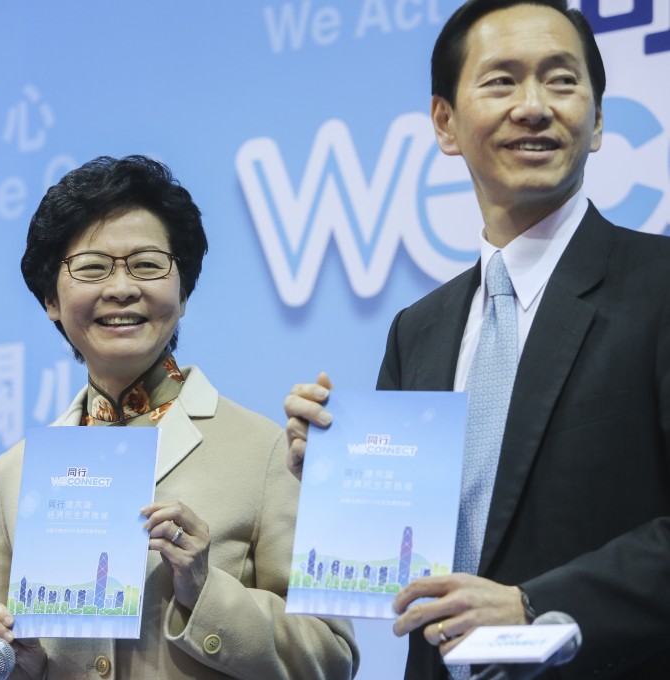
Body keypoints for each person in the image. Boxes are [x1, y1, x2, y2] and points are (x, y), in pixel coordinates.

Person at [285, 1, 670, 678]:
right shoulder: (419, 330)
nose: (533, 106)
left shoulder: (658, 287)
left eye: (561, 80)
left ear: (600, 120)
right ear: (445, 123)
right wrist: (334, 481)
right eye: (501, 81)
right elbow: (396, 563)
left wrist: (534, 605)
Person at [0, 155, 358, 679]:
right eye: (91, 267)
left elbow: (332, 657)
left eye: (148, 264)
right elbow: (12, 650)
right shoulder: (17, 472)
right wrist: (22, 663)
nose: (121, 288)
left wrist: (203, 590)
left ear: (183, 292)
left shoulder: (267, 451)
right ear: (50, 299)